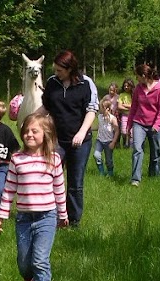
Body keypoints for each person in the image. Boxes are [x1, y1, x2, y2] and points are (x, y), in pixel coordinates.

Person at [0, 113, 68, 281]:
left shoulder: (53, 159)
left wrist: (63, 214)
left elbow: (59, 189)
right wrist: (1, 216)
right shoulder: (17, 159)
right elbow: (8, 189)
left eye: (35, 131)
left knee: (40, 260)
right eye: (26, 131)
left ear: (46, 134)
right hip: (24, 219)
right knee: (24, 263)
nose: (29, 134)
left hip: (47, 217)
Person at [40, 50, 99, 228]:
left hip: (80, 141)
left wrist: (81, 133)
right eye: (55, 70)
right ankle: (51, 216)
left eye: (60, 70)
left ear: (70, 69)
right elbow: (45, 108)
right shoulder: (52, 83)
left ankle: (73, 220)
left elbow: (91, 111)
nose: (56, 73)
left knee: (75, 182)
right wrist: (30, 122)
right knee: (50, 178)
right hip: (57, 140)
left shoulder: (85, 83)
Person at [127, 64, 160, 187]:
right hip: (139, 122)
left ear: (144, 76)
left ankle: (154, 176)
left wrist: (156, 125)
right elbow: (134, 107)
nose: (136, 79)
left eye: (138, 76)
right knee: (137, 149)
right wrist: (129, 125)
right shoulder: (138, 88)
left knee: (156, 152)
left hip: (155, 125)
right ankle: (135, 179)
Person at [93, 99, 120, 176]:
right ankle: (101, 171)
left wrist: (113, 142)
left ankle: (110, 173)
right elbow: (99, 126)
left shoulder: (112, 118)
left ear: (107, 108)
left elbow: (117, 131)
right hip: (100, 140)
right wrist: (90, 128)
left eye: (101, 107)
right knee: (96, 155)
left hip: (109, 141)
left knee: (108, 160)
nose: (100, 109)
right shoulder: (99, 117)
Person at [117, 78, 135, 148]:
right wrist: (130, 108)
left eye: (128, 86)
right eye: (125, 86)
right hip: (124, 116)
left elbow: (135, 106)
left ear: (131, 86)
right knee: (124, 132)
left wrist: (125, 105)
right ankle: (125, 142)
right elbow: (119, 106)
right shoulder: (122, 94)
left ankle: (130, 146)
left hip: (133, 116)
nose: (126, 87)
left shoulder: (134, 94)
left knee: (132, 133)